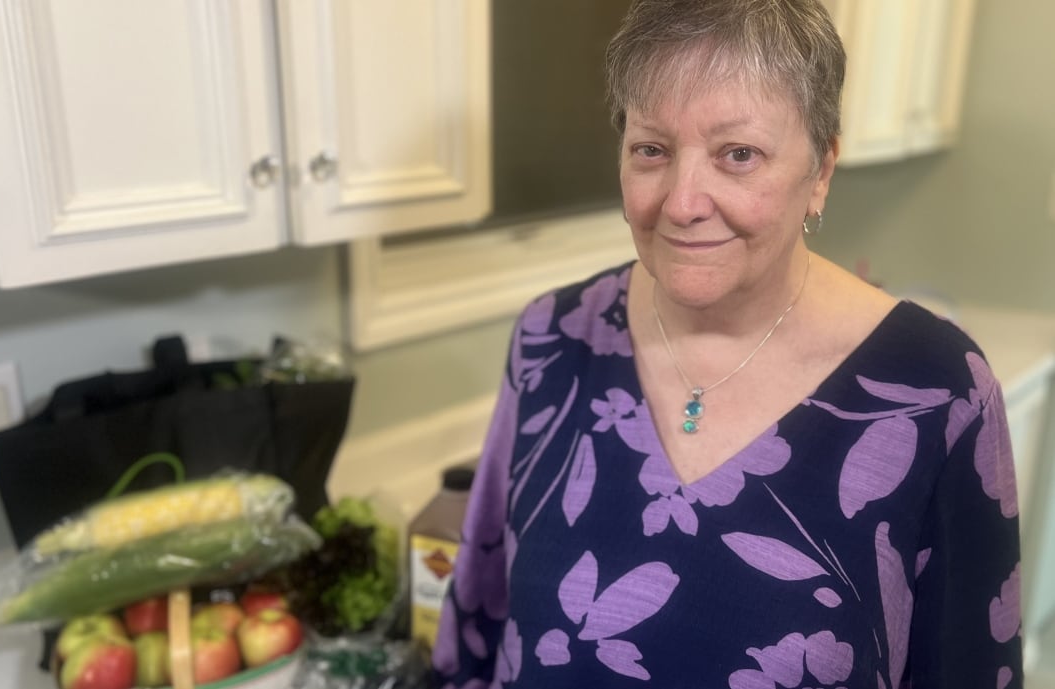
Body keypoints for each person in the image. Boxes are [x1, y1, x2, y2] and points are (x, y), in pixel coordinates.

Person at [430, 0, 1023, 687]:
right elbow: (474, 633)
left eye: (738, 154)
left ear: (821, 171)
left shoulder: (936, 392)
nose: (683, 202)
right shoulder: (552, 339)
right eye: (652, 150)